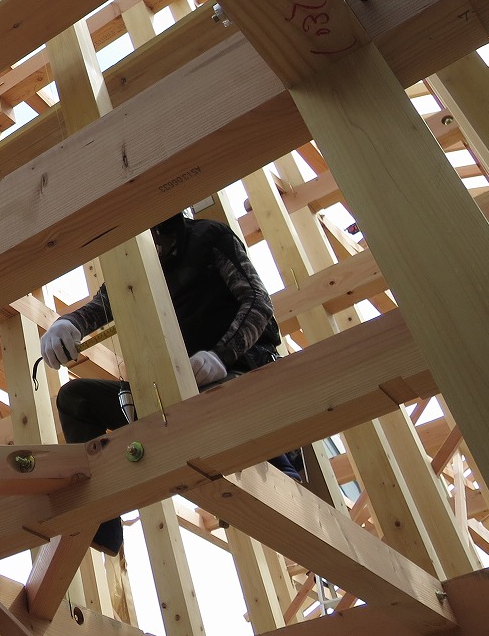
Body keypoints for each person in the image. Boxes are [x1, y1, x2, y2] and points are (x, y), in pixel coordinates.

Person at [39, 210, 301, 556]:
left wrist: (221, 356)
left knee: (217, 401)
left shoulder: (210, 238)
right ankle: (102, 524)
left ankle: (281, 471)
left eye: (157, 239)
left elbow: (257, 302)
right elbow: (103, 304)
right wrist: (69, 323)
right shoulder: (133, 261)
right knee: (76, 398)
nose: (155, 246)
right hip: (172, 395)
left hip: (240, 373)